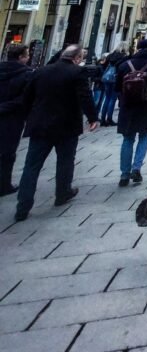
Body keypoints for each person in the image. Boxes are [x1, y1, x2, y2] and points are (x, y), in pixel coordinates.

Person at [15, 44, 99, 222]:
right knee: (65, 161)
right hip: (66, 126)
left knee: (31, 166)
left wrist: (29, 117)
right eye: (81, 57)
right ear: (76, 58)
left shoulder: (40, 71)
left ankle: (22, 206)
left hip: (40, 126)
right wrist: (93, 118)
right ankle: (62, 193)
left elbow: (27, 97)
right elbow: (85, 96)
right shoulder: (77, 73)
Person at [115, 38, 147, 186]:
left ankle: (124, 174)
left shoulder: (125, 64)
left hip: (128, 106)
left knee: (127, 139)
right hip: (146, 105)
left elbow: (117, 87)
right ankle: (136, 167)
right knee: (144, 136)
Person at [0, 44, 32, 196]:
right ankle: (4, 184)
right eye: (27, 55)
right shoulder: (26, 74)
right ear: (20, 57)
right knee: (8, 152)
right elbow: (25, 99)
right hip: (13, 118)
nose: (29, 57)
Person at [98, 42, 128, 126]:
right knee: (113, 99)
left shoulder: (110, 55)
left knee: (107, 98)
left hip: (107, 79)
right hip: (116, 79)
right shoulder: (124, 57)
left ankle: (103, 119)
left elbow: (104, 66)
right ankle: (109, 119)